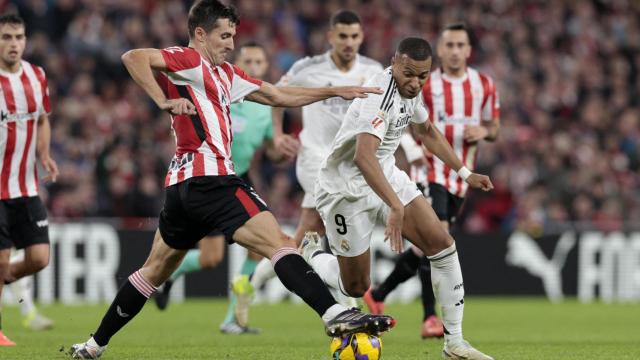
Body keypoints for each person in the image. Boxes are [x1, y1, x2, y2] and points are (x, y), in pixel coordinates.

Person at [68, 1, 393, 358]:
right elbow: (133, 57)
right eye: (224, 35)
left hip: (181, 188)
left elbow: (278, 95)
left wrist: (334, 91)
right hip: (213, 179)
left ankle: (93, 346)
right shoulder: (190, 59)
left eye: (234, 36)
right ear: (200, 34)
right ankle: (335, 314)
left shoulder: (226, 75)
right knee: (280, 242)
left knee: (153, 271)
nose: (231, 43)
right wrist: (162, 100)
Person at [299, 37, 494, 359]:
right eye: (409, 74)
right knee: (356, 287)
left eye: (423, 76)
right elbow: (363, 157)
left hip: (385, 174)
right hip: (344, 190)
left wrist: (464, 173)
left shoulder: (410, 91)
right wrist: (395, 206)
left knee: (441, 244)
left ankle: (455, 344)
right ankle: (314, 254)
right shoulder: (379, 96)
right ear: (393, 63)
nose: (415, 83)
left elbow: (427, 131)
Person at [241, 8, 383, 316]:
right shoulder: (308, 67)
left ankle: (254, 281)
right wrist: (277, 134)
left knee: (307, 230)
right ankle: (350, 308)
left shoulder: (373, 70)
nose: (348, 42)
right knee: (339, 219)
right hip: (313, 158)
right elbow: (276, 95)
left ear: (362, 37)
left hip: (349, 164)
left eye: (354, 36)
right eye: (342, 36)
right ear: (331, 37)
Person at [364, 22, 500, 339]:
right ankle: (430, 319)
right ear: (440, 50)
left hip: (458, 176)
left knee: (430, 244)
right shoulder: (424, 81)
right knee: (436, 240)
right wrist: (412, 152)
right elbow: (414, 125)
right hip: (429, 171)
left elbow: (495, 127)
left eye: (460, 45)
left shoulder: (484, 85)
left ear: (468, 50)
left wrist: (484, 132)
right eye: (448, 45)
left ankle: (380, 293)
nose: (454, 51)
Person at [152, 41, 288, 335]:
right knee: (210, 258)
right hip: (208, 178)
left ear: (265, 67)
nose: (253, 68)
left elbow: (271, 150)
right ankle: (164, 275)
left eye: (258, 63)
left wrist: (282, 148)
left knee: (260, 249)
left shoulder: (264, 110)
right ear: (237, 65)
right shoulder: (220, 91)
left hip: (237, 178)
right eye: (248, 63)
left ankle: (233, 319)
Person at [0, 13, 58, 346]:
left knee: (39, 257)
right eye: (6, 37)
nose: (13, 44)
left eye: (18, 37)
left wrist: (44, 155)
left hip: (25, 186)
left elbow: (42, 119)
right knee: (2, 257)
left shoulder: (36, 76)